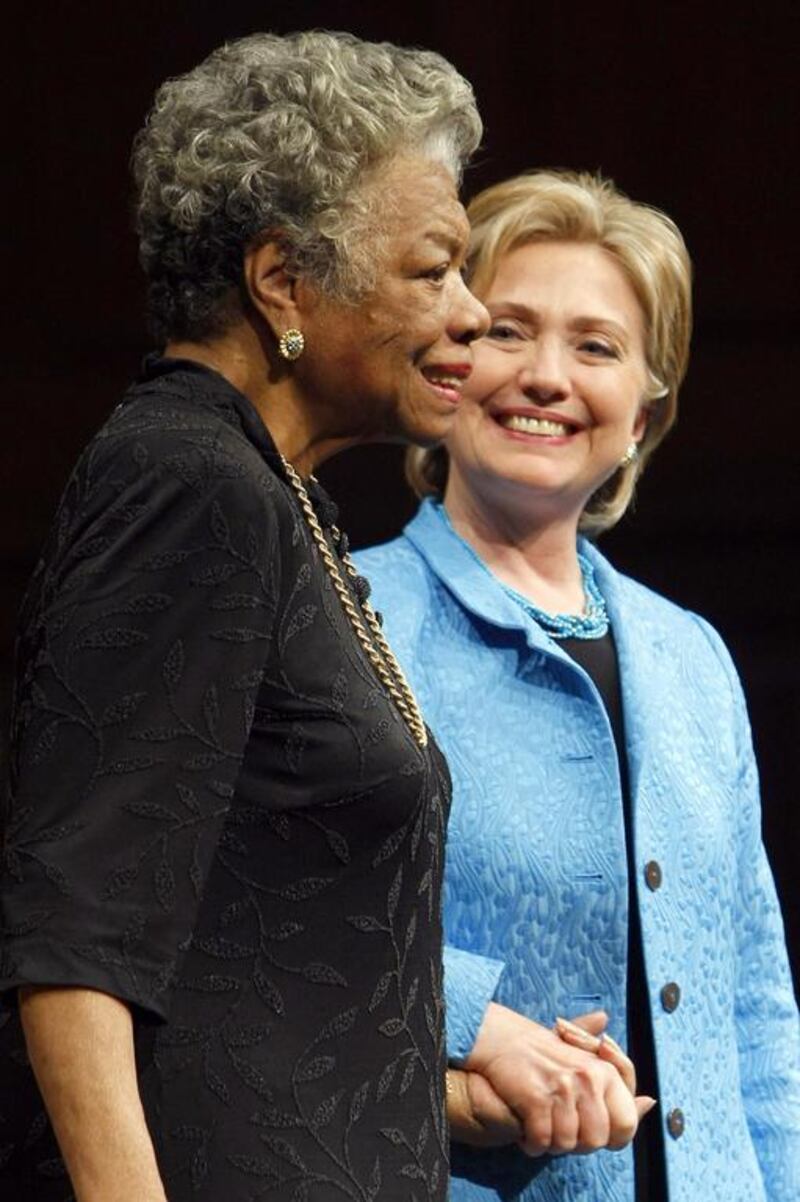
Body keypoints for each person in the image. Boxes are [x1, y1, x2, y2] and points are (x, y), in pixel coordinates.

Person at [0, 30, 493, 1202]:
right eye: (432, 270)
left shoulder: (277, 495)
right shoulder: (187, 483)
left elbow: (277, 970)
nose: (473, 312)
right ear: (282, 281)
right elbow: (74, 936)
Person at [355, 170, 800, 1201]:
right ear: (445, 361)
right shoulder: (348, 616)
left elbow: (753, 1011)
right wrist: (473, 1021)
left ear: (641, 415)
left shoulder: (688, 654)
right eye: (506, 331)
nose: (545, 376)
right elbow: (270, 933)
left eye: (594, 346)